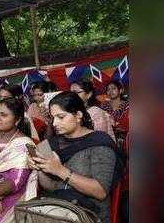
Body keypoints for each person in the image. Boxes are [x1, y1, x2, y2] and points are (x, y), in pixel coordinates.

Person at [29, 91, 121, 223]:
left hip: (89, 213)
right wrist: (40, 167)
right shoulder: (53, 144)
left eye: (61, 117)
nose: (54, 123)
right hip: (60, 205)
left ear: (78, 115)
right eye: (52, 118)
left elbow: (100, 192)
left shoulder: (99, 143)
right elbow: (53, 187)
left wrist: (60, 170)